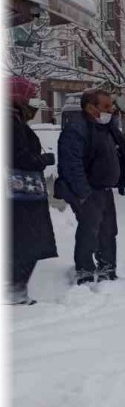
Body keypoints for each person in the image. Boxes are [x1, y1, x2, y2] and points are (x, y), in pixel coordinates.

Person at [56, 89, 122, 284]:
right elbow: (71, 163)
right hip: (88, 190)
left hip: (104, 189)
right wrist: (83, 192)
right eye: (106, 106)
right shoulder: (77, 129)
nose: (111, 110)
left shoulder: (104, 128)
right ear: (91, 108)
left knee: (108, 230)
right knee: (89, 231)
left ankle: (107, 267)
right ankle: (84, 270)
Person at [6, 78, 57, 304]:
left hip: (19, 192)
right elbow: (18, 156)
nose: (30, 100)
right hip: (19, 193)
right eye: (27, 95)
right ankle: (13, 290)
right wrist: (43, 159)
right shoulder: (10, 120)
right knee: (28, 240)